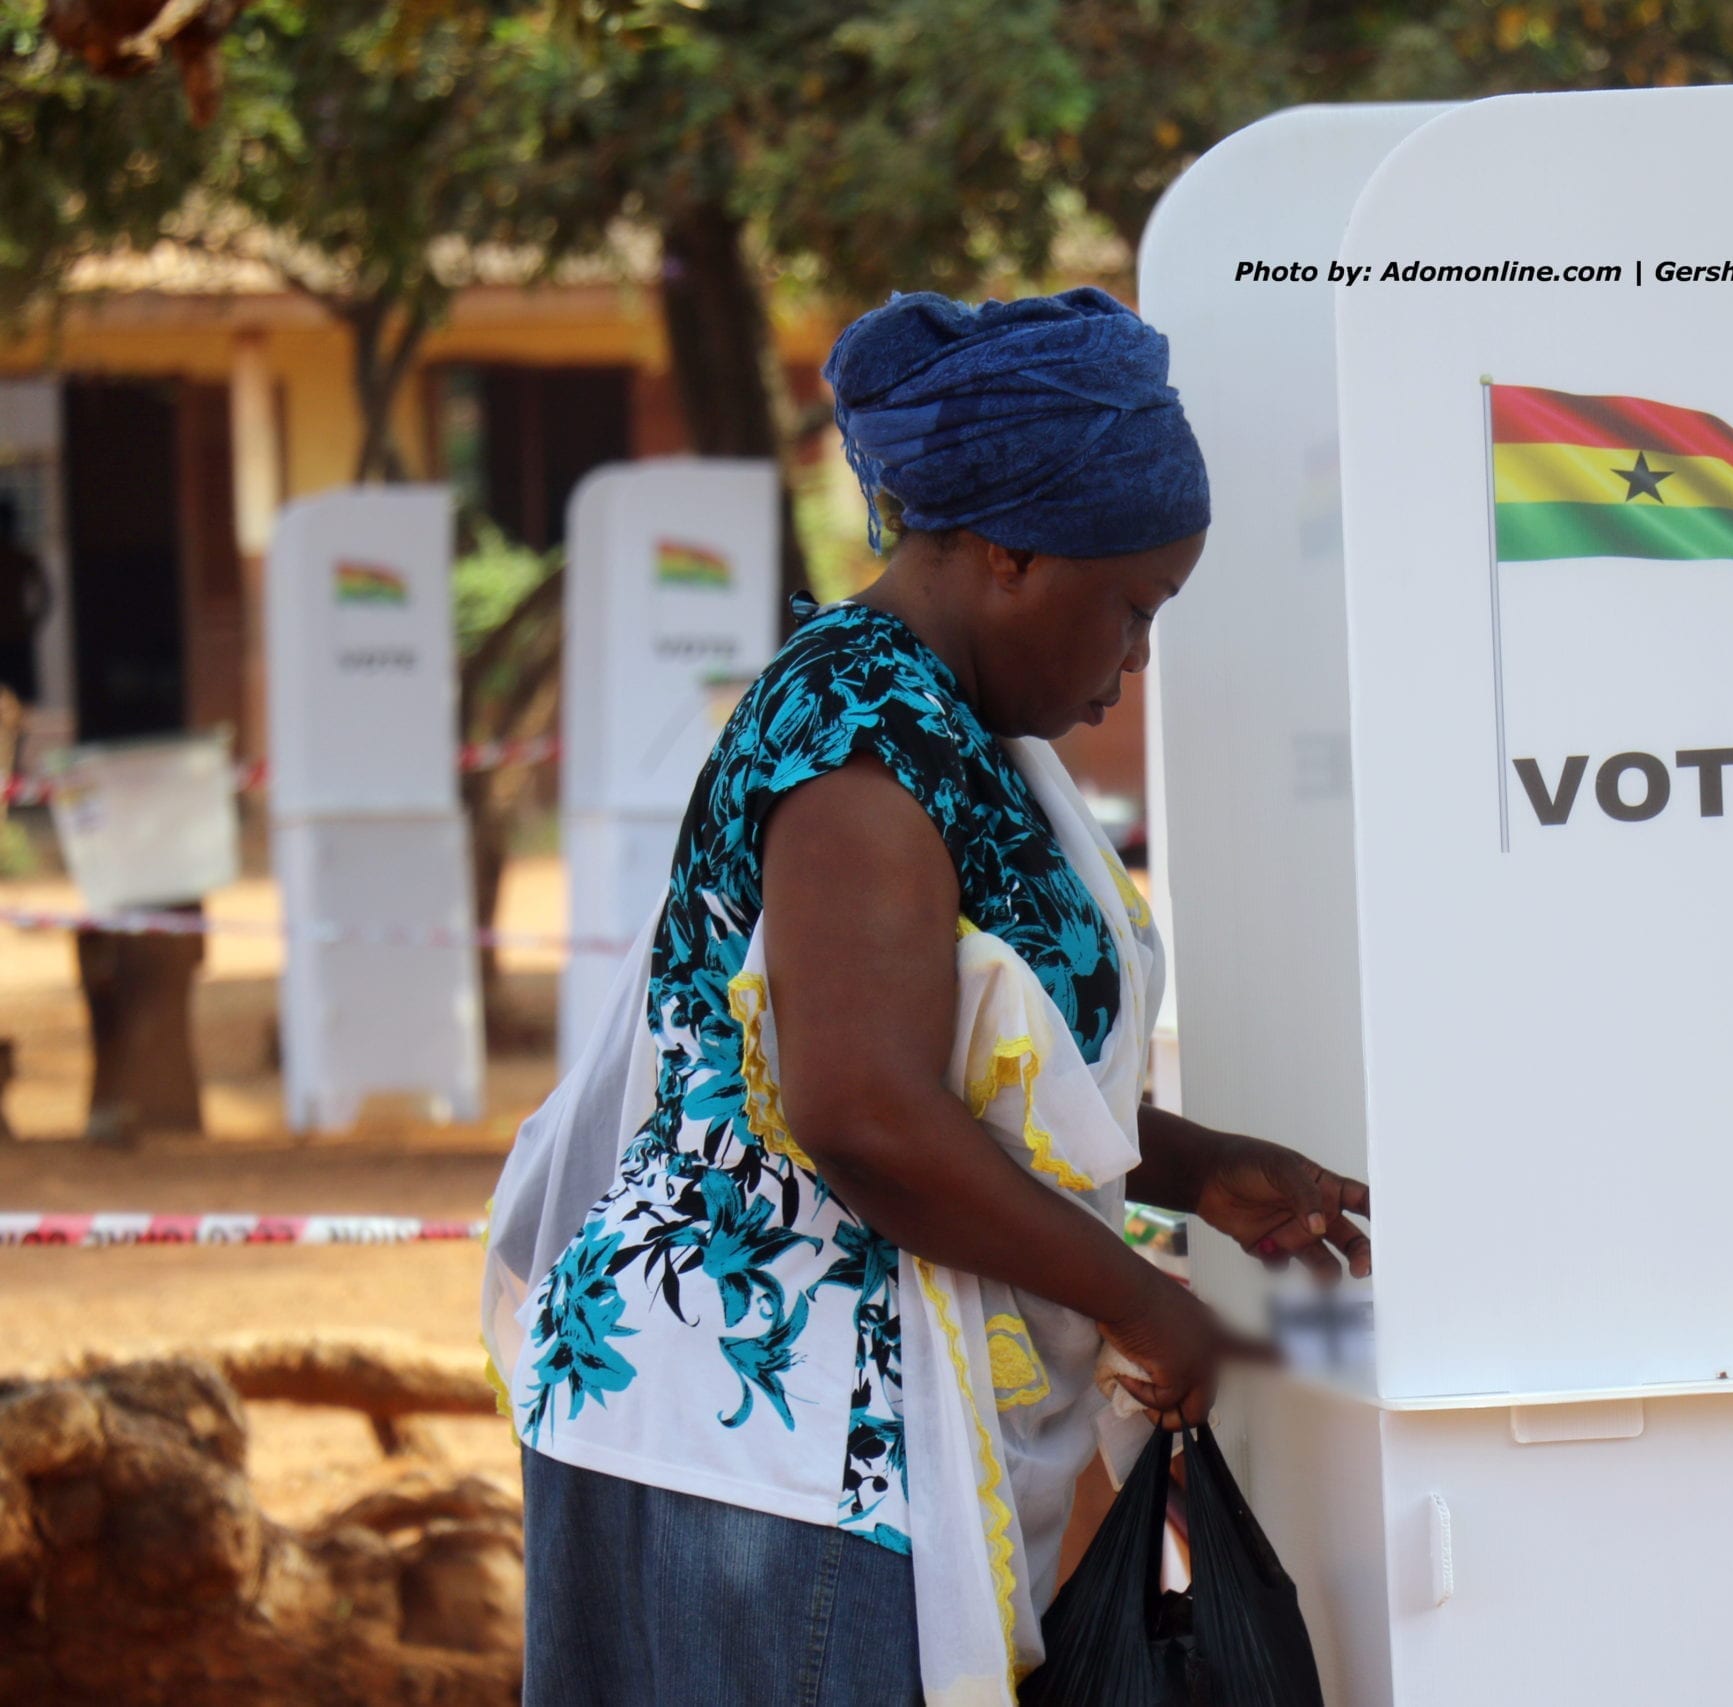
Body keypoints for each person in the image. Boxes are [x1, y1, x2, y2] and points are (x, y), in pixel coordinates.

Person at [487, 288, 1371, 1707]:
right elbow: (865, 1108)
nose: (1136, 658)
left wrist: (1194, 1163)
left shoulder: (951, 729)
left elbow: (962, 1072)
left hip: (803, 1436)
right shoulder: (861, 736)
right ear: (1012, 552)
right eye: (1133, 606)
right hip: (766, 1443)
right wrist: (1143, 1300)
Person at [0, 495, 50, 703]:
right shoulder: (21, 557)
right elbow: (45, 592)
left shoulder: (21, 557)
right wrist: (34, 619)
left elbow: (44, 592)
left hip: (16, 631)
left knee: (17, 693)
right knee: (19, 693)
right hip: (17, 630)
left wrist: (34, 619)